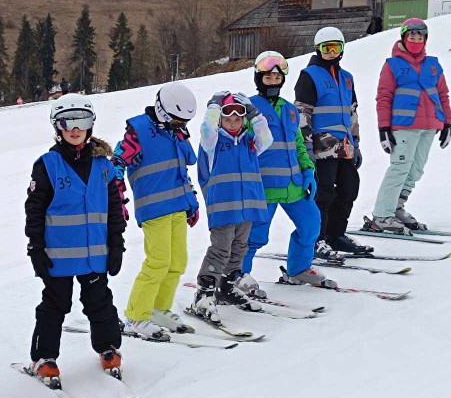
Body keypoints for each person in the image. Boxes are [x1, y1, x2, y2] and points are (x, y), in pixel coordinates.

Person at [25, 94, 126, 382]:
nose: (75, 128)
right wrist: (36, 247)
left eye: (82, 121)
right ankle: (44, 358)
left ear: (91, 125)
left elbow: (114, 208)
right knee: (55, 305)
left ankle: (109, 348)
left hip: (95, 254)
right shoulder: (47, 165)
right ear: (57, 127)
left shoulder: (104, 166)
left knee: (100, 302)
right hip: (58, 256)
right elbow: (34, 210)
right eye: (67, 122)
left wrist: (116, 243)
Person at [242, 51, 337, 291]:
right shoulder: (249, 109)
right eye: (268, 78)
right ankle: (238, 275)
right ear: (258, 79)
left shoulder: (290, 110)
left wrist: (308, 171)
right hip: (264, 186)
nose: (273, 82)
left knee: (311, 223)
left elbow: (299, 145)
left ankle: (298, 270)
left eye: (277, 78)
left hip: (293, 184)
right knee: (255, 236)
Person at [113, 82, 199, 339]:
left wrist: (191, 202)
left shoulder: (177, 133)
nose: (180, 124)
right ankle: (136, 318)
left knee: (177, 262)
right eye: (176, 119)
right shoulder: (138, 132)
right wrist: (118, 198)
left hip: (177, 206)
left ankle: (158, 309)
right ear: (163, 111)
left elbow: (181, 172)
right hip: (154, 208)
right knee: (158, 262)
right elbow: (116, 164)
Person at [191, 91, 272, 321]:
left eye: (238, 119)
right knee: (221, 249)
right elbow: (206, 129)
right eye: (228, 119)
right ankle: (204, 294)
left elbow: (266, 137)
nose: (233, 123)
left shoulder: (250, 142)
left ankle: (226, 287)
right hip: (224, 207)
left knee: (240, 247)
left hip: (247, 205)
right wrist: (214, 105)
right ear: (220, 120)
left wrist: (253, 111)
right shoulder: (213, 142)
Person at [293, 29, 371, 257]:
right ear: (318, 49)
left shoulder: (347, 78)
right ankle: (316, 239)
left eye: (336, 47)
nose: (331, 52)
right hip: (321, 147)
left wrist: (355, 143)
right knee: (324, 193)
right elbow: (302, 114)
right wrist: (307, 148)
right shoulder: (309, 75)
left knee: (348, 189)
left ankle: (336, 235)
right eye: (326, 48)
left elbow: (352, 112)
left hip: (345, 146)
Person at [370, 18, 451, 233]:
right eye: (412, 36)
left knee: (415, 170)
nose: (416, 40)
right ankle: (382, 214)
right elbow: (384, 97)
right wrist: (384, 128)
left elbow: (443, 94)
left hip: (429, 126)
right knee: (399, 168)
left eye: (420, 37)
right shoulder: (393, 65)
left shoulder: (433, 64)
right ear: (404, 38)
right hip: (404, 126)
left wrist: (447, 123)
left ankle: (396, 208)